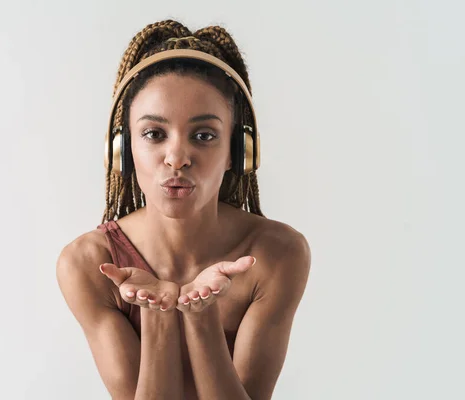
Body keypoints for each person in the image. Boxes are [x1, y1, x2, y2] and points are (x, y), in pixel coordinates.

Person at [56, 19, 311, 400]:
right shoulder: (87, 263)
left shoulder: (277, 254)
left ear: (237, 153)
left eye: (204, 136)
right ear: (122, 152)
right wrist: (159, 317)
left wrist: (199, 316)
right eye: (154, 134)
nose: (177, 158)